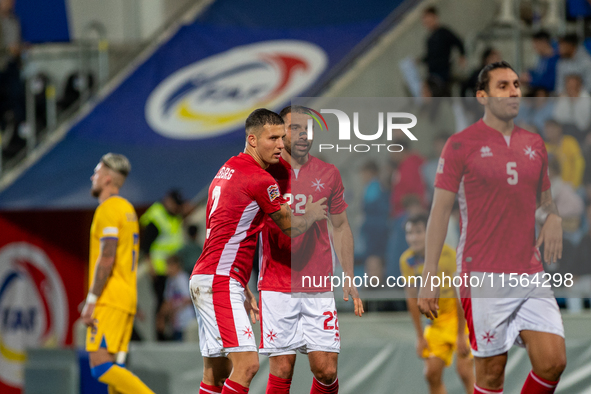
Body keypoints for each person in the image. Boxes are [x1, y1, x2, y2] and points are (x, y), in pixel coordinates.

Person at [418, 61, 566, 394]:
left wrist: (553, 216)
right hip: (482, 272)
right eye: (503, 86)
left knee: (553, 362)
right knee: (490, 375)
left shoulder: (534, 144)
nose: (514, 91)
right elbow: (440, 211)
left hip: (529, 270)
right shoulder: (460, 144)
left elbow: (544, 202)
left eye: (516, 84)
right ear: (482, 96)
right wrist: (429, 272)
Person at [190, 108, 328, 394]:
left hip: (210, 275)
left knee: (215, 374)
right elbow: (290, 227)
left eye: (282, 137)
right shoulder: (260, 179)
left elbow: (220, 229)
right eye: (273, 138)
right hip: (219, 279)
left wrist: (241, 283)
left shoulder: (228, 168)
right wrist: (312, 213)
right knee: (248, 365)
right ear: (252, 140)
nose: (281, 144)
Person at [258, 105, 363, 394]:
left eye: (308, 129)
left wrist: (349, 275)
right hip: (278, 283)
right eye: (295, 128)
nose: (304, 134)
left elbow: (341, 226)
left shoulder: (328, 173)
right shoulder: (268, 174)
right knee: (282, 368)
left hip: (317, 283)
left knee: (326, 370)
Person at [80, 153, 154, 394]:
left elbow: (107, 257)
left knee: (100, 367)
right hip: (126, 299)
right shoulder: (127, 209)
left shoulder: (108, 209)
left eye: (97, 171)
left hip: (110, 300)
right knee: (115, 375)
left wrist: (92, 300)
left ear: (108, 179)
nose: (93, 176)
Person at [401, 213, 474, 394]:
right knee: (431, 374)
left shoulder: (449, 256)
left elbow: (461, 296)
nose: (414, 237)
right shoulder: (406, 261)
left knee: (465, 371)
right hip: (435, 322)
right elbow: (412, 299)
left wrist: (460, 335)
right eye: (410, 233)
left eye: (419, 232)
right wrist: (419, 337)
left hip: (460, 319)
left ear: (429, 232)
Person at [140, 188, 188, 339]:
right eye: (175, 204)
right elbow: (146, 246)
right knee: (162, 304)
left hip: (173, 270)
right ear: (168, 201)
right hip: (160, 270)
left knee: (171, 303)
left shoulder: (174, 216)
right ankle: (160, 335)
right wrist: (151, 268)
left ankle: (169, 334)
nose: (177, 207)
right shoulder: (157, 216)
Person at [420, 6, 466, 87]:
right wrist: (419, 60)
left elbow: (458, 42)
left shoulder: (443, 32)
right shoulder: (429, 39)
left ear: (435, 17)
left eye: (428, 18)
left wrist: (462, 55)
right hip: (432, 74)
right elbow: (431, 56)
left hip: (443, 72)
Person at [360, 160, 390, 281]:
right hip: (375, 228)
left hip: (375, 229)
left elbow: (371, 208)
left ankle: (375, 281)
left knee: (374, 257)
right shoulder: (374, 186)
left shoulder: (373, 187)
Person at [156, 255, 195, 341]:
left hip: (186, 322)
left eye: (169, 265)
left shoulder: (182, 278)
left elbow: (188, 299)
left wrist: (172, 310)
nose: (167, 269)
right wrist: (161, 317)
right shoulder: (170, 281)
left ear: (176, 265)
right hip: (175, 324)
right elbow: (167, 300)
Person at [544, 119, 586, 189]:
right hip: (552, 188)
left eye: (552, 129)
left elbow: (579, 163)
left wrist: (574, 185)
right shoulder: (543, 147)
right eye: (547, 129)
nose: (549, 132)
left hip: (573, 185)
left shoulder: (570, 142)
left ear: (559, 129)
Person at [552, 73, 591, 145]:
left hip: (582, 132)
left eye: (573, 86)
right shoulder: (563, 98)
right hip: (564, 130)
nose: (570, 89)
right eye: (568, 86)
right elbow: (557, 117)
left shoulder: (587, 100)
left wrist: (574, 102)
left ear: (579, 86)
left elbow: (583, 123)